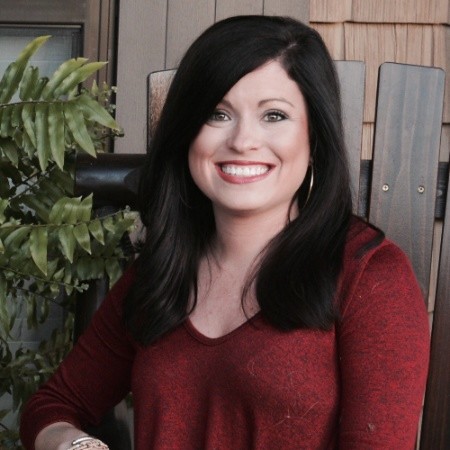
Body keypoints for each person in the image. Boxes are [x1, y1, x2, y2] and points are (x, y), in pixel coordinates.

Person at [20, 15, 429, 450]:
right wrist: (77, 446)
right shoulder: (163, 271)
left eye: (274, 115)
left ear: (314, 139)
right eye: (218, 114)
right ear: (188, 134)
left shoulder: (370, 278)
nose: (242, 140)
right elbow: (54, 406)